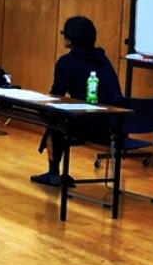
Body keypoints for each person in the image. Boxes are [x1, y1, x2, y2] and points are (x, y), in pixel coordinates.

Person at [31, 15, 123, 187]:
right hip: (116, 126)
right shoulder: (104, 60)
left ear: (70, 39)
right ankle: (54, 173)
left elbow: (57, 94)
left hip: (90, 126)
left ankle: (53, 173)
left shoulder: (67, 62)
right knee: (58, 119)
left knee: (54, 120)